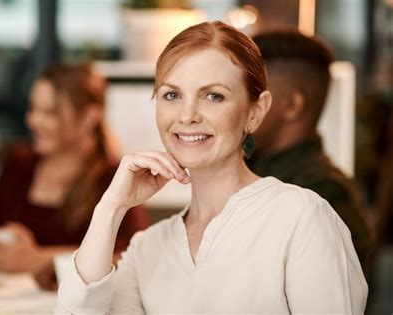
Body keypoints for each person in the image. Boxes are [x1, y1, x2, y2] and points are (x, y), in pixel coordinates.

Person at [56, 22, 367, 314]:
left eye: (213, 96)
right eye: (172, 95)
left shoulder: (302, 217)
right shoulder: (147, 246)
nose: (187, 115)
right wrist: (111, 207)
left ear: (255, 112)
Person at [0, 63, 149, 282]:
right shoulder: (18, 165)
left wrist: (38, 259)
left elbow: (133, 259)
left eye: (49, 112)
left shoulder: (115, 178)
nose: (33, 121)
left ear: (90, 116)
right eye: (32, 109)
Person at [248, 29, 374, 271]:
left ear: (292, 105)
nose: (238, 103)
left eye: (251, 92)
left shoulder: (323, 195)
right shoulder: (252, 169)